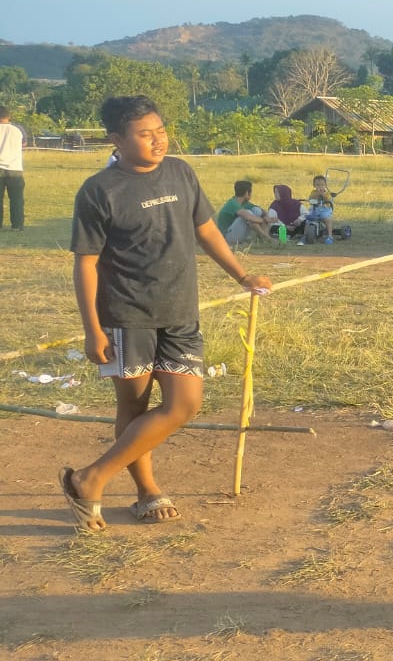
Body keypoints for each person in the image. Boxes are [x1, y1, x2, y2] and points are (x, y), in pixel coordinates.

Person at [60, 95, 271, 532]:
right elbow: (86, 263)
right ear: (116, 140)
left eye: (161, 130)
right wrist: (92, 329)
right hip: (125, 315)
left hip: (179, 311)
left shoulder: (180, 172)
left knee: (184, 404)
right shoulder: (99, 191)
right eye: (144, 134)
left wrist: (242, 274)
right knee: (133, 407)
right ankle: (147, 491)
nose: (158, 140)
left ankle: (90, 477)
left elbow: (205, 230)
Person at [215, 180, 274, 248]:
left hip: (235, 233)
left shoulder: (244, 203)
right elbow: (249, 217)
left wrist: (266, 216)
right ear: (246, 193)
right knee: (248, 215)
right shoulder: (232, 204)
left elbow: (262, 211)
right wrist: (264, 220)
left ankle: (263, 237)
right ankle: (266, 237)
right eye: (250, 192)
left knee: (256, 210)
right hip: (226, 237)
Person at [0, 106, 24, 231]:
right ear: (8, 116)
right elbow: (23, 144)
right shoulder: (17, 130)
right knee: (16, 199)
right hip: (15, 169)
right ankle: (17, 225)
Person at [306, 174, 336, 244]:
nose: (320, 187)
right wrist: (317, 194)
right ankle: (305, 235)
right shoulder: (313, 192)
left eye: (322, 185)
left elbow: (329, 200)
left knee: (327, 219)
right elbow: (310, 198)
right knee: (308, 219)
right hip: (315, 209)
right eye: (318, 185)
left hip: (325, 209)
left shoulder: (327, 193)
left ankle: (330, 236)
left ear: (325, 185)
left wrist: (324, 195)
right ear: (314, 185)